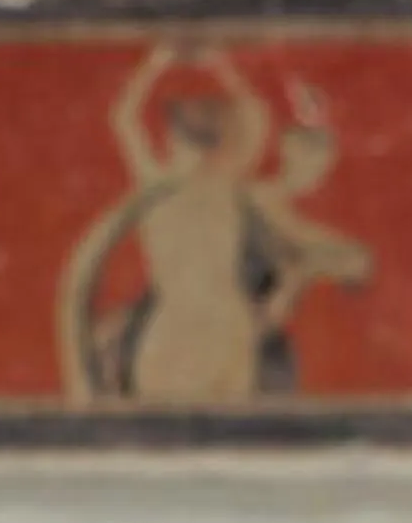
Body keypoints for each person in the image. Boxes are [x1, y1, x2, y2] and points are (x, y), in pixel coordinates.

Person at [57, 47, 372, 404]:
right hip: (187, 325)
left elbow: (254, 115)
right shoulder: (164, 185)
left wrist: (202, 62)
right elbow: (124, 119)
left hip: (224, 326)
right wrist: (169, 61)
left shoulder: (222, 185)